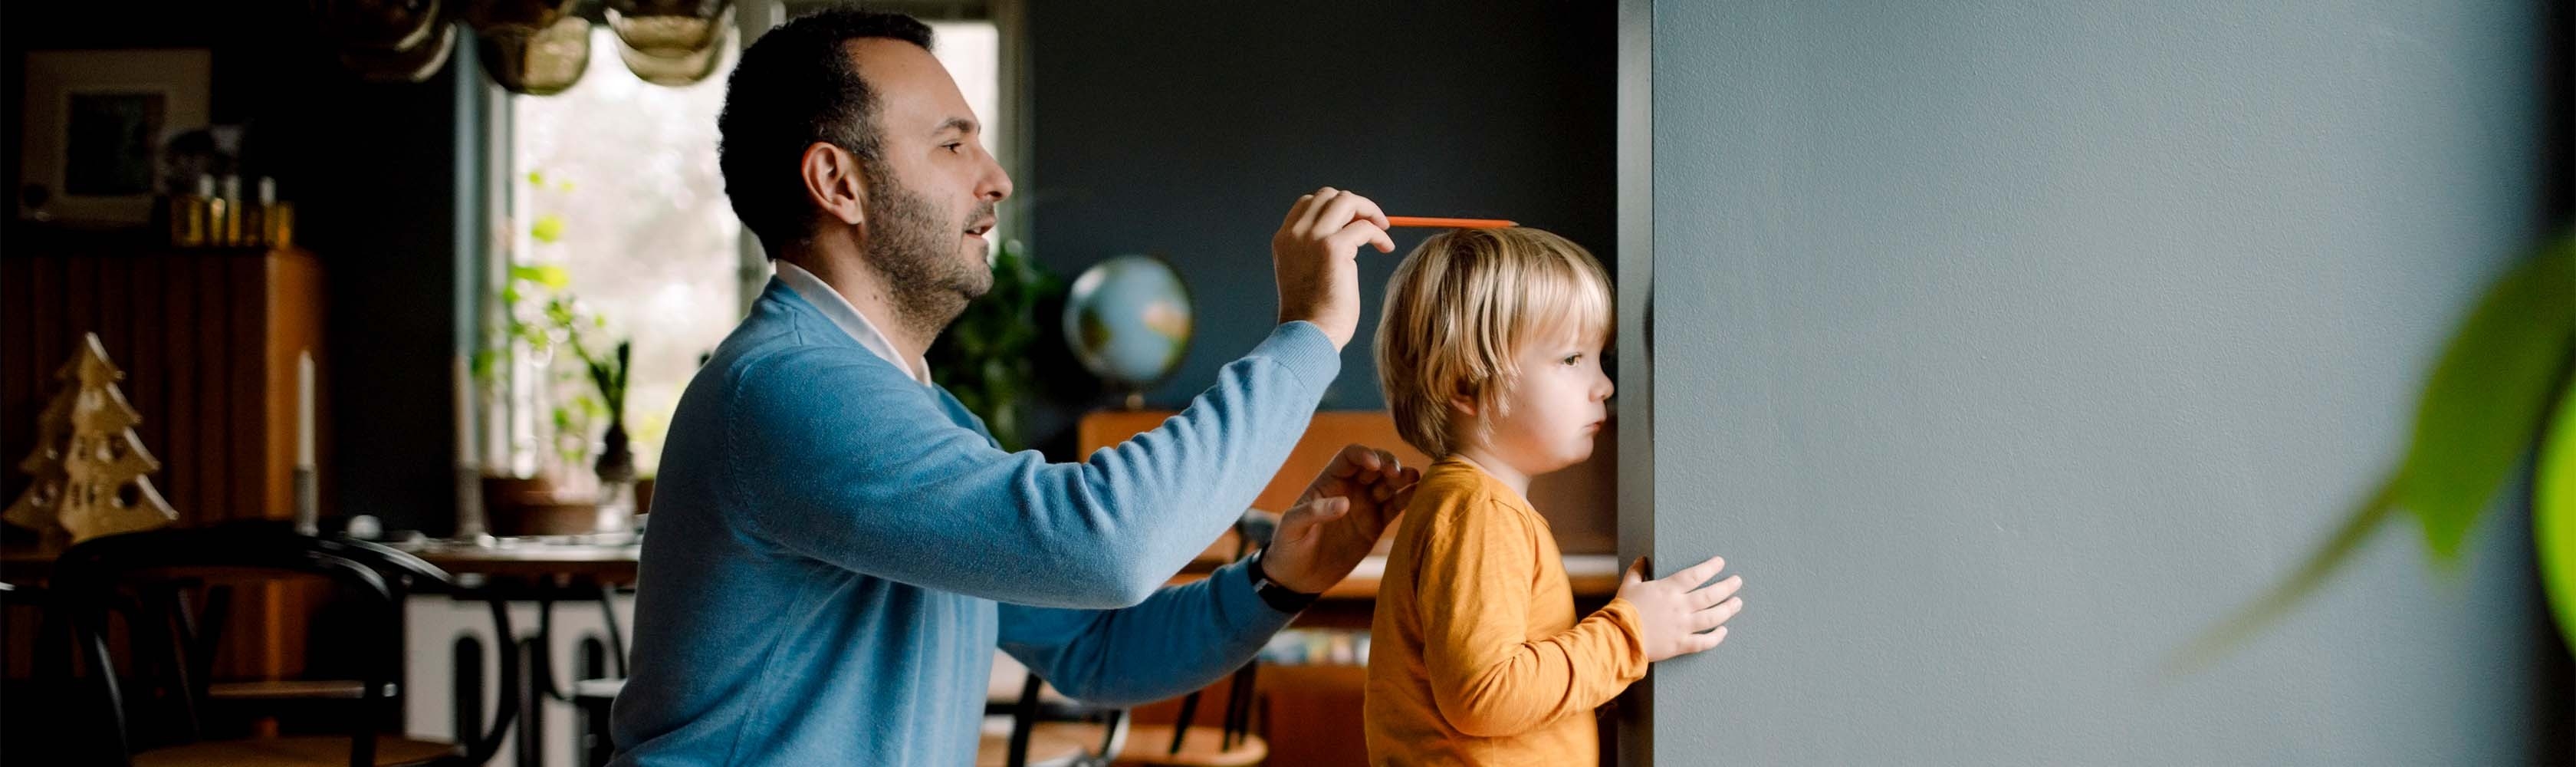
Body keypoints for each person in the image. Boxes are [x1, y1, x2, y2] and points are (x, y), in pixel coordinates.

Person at [610, 8, 1418, 765]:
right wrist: (1310, 333)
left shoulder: (922, 414)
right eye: (953, 145)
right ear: (839, 183)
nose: (994, 178)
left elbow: (1094, 649)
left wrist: (1279, 577)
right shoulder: (786, 389)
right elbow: (1107, 544)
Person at [1363, 227, 1743, 765]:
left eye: (1598, 357)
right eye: (1572, 360)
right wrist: (1631, 634)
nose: (1604, 385)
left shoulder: (1473, 504)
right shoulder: (1480, 513)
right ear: (1466, 386)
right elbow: (1485, 696)